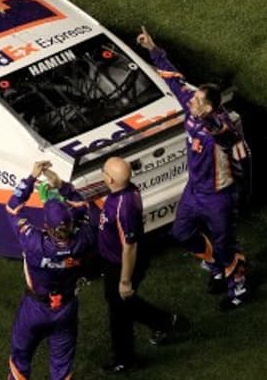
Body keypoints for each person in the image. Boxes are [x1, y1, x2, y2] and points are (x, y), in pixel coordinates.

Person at [137, 27, 250, 309]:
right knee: (181, 233)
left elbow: (223, 134)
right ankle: (215, 265)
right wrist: (153, 49)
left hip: (218, 196)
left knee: (226, 244)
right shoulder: (192, 108)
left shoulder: (223, 125)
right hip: (194, 189)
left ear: (210, 108)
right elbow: (174, 79)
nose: (192, 101)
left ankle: (238, 288)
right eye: (195, 97)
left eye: (198, 100)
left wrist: (207, 120)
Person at [5, 161, 96, 380]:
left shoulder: (34, 242)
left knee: (20, 360)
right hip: (65, 309)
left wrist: (31, 178)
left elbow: (12, 207)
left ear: (45, 225)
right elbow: (84, 206)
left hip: (34, 309)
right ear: (71, 224)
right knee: (61, 365)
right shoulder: (84, 239)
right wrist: (62, 186)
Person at [90, 157, 178, 372]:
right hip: (115, 260)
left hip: (122, 264)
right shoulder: (127, 190)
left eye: (104, 171)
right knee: (121, 302)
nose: (102, 173)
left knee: (119, 310)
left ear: (110, 180)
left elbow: (129, 247)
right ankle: (163, 321)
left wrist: (125, 280)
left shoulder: (123, 208)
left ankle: (124, 359)